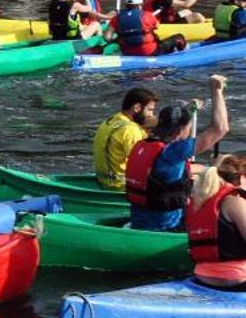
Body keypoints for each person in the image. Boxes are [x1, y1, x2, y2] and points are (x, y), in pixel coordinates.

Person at [126, 76, 229, 232]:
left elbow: (186, 168)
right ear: (181, 129)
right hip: (169, 228)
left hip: (139, 222)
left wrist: (214, 169)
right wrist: (216, 90)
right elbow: (220, 129)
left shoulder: (144, 144)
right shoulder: (174, 152)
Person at [188, 154, 246, 288]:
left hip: (202, 277)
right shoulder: (235, 201)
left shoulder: (199, 200)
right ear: (242, 177)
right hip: (236, 279)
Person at [93, 87, 160, 189]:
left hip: (104, 182)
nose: (152, 115)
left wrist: (144, 129)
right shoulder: (131, 130)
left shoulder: (111, 120)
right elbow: (143, 164)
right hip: (120, 187)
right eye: (150, 110)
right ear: (137, 108)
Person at [112, 0, 184, 56]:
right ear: (140, 5)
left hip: (127, 53)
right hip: (149, 52)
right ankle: (182, 54)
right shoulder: (147, 15)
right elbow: (157, 26)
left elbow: (107, 37)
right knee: (179, 37)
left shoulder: (116, 18)